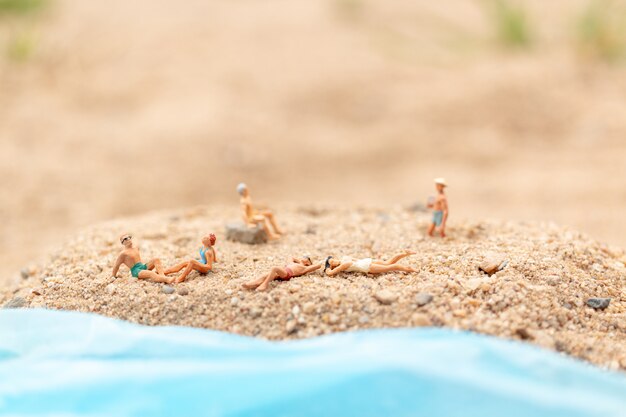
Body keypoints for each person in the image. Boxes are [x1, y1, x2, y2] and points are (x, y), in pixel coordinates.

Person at [242, 256, 321, 291]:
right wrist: (300, 260)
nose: (304, 258)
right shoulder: (293, 263)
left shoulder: (304, 268)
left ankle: (265, 284)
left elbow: (317, 266)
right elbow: (292, 257)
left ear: (308, 263)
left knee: (274, 268)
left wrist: (308, 263)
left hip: (287, 274)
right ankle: (253, 283)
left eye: (307, 258)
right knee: (266, 274)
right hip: (283, 271)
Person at [324, 251, 416, 276]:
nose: (334, 261)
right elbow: (356, 259)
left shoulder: (344, 264)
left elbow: (331, 273)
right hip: (366, 262)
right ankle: (405, 253)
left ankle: (411, 269)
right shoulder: (345, 258)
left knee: (391, 266)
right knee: (388, 263)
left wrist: (327, 269)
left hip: (367, 266)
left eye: (333, 260)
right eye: (332, 262)